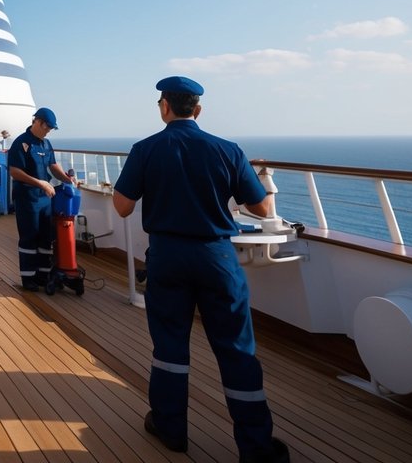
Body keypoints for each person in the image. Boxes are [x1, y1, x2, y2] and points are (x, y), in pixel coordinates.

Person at [113, 77, 289, 463]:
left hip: (167, 256)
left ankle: (170, 429)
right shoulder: (227, 150)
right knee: (237, 351)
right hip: (216, 258)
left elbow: (123, 207)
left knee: (171, 346)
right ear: (198, 109)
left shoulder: (145, 149)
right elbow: (261, 209)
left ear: (164, 107)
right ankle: (256, 447)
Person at [7, 107, 76, 290]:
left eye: (51, 128)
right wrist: (39, 182)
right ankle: (28, 278)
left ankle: (42, 275)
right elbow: (15, 171)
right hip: (27, 197)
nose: (48, 131)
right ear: (36, 121)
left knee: (46, 237)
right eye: (46, 127)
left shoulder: (46, 144)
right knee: (30, 237)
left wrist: (68, 179)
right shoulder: (21, 143)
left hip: (45, 198)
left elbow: (52, 166)